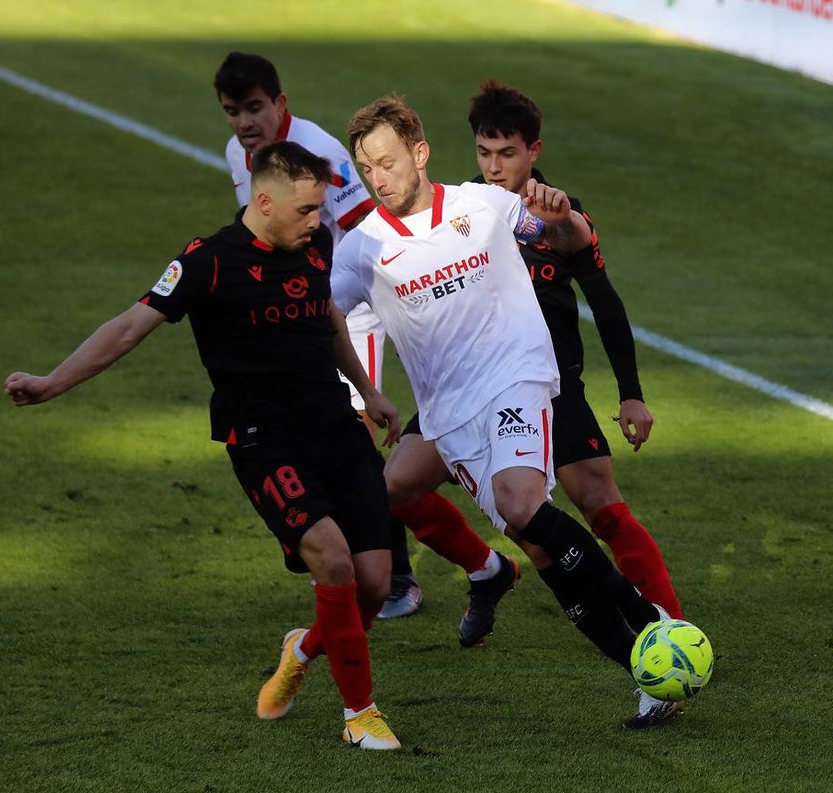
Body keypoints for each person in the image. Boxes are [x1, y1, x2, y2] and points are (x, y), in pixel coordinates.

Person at [5, 142, 402, 750]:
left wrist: (368, 391)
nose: (317, 223)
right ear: (263, 201)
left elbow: (327, 319)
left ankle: (303, 648)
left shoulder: (313, 244)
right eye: (304, 211)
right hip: (265, 440)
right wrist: (52, 381)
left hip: (335, 426)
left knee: (374, 584)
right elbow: (127, 328)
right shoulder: (207, 262)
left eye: (320, 209)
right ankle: (360, 716)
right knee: (335, 559)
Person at [331, 95, 674, 729]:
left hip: (517, 378)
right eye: (365, 168)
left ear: (419, 151)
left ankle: (656, 623)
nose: (377, 178)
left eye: (386, 161)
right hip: (450, 418)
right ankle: (648, 668)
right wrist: (362, 393)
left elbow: (567, 240)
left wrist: (563, 215)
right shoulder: (361, 249)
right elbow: (327, 318)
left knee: (522, 505)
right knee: (537, 546)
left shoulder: (482, 206)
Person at [215, 52, 491, 620]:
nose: (245, 122)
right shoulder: (238, 156)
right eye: (232, 111)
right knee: (339, 449)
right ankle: (484, 567)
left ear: (280, 104)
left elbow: (369, 224)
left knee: (360, 448)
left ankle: (399, 578)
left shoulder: (321, 151)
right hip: (300, 318)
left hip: (350, 312)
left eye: (254, 108)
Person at [468, 80, 684, 623]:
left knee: (602, 507)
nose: (495, 166)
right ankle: (488, 571)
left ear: (533, 152)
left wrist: (631, 395)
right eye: (484, 152)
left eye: (508, 153)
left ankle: (673, 628)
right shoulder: (460, 209)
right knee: (396, 486)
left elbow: (606, 305)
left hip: (551, 387)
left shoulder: (564, 218)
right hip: (471, 392)